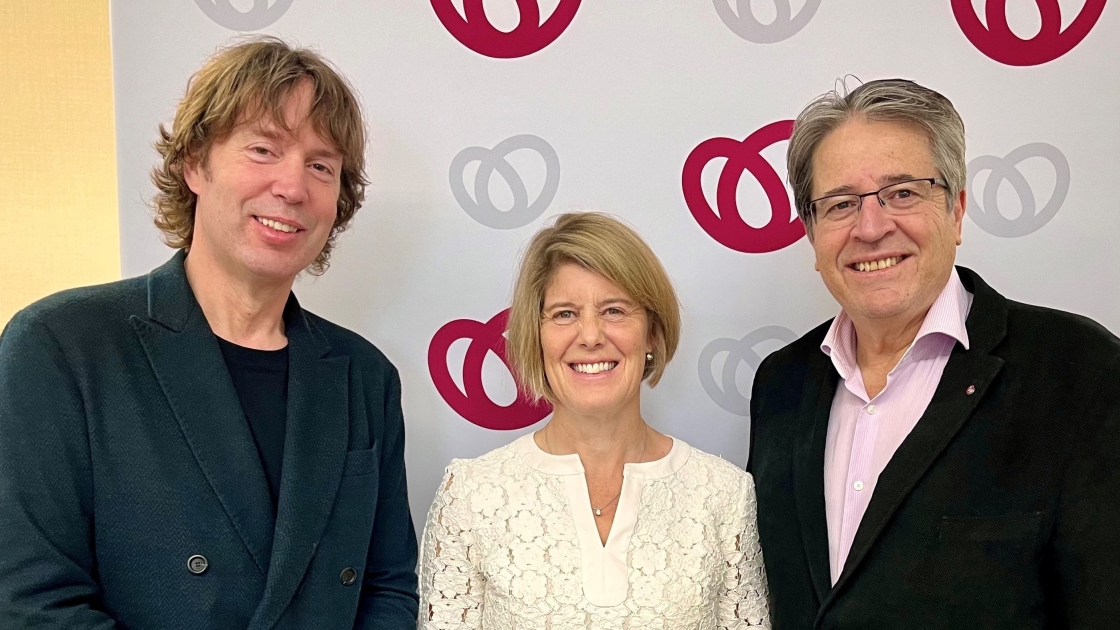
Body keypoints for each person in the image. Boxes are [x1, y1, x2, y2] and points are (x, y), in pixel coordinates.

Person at [0, 38, 418, 628]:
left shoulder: (365, 377)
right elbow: (32, 605)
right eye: (263, 149)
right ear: (195, 164)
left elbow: (388, 588)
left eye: (321, 166)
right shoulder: (61, 346)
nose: (293, 187)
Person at [746, 78, 1120, 628]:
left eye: (903, 192)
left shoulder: (1086, 376)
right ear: (812, 234)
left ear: (955, 211)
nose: (872, 226)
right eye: (840, 204)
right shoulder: (781, 384)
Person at [417, 212, 769, 629]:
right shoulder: (471, 496)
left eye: (614, 311)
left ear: (652, 332)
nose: (589, 336)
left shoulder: (725, 496)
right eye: (565, 314)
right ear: (537, 334)